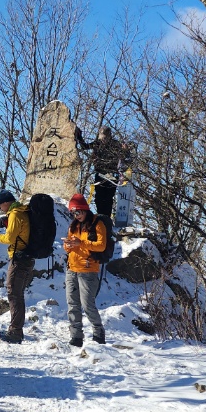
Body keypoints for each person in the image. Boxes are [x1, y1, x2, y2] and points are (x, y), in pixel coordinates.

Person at [0, 188, 33, 343]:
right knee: (16, 293)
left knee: (14, 293)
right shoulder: (22, 211)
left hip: (20, 258)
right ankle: (16, 330)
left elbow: (10, 238)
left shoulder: (15, 214)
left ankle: (15, 333)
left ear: (6, 202)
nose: (0, 208)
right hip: (25, 256)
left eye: (0, 205)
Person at [63, 193, 106, 347]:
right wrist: (68, 245)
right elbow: (68, 247)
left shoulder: (97, 224)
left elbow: (101, 246)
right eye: (74, 213)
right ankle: (76, 336)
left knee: (87, 305)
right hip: (72, 269)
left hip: (88, 270)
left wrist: (81, 243)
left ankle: (98, 333)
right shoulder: (73, 226)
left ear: (85, 209)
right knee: (72, 305)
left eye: (79, 212)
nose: (77, 215)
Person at [75, 125, 132, 219]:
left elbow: (126, 157)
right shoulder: (97, 143)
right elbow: (85, 146)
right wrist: (79, 135)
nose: (103, 140)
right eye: (102, 138)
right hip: (100, 174)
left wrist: (126, 150)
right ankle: (100, 217)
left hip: (111, 175)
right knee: (99, 198)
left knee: (108, 198)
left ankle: (106, 218)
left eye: (105, 138)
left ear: (109, 137)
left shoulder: (115, 144)